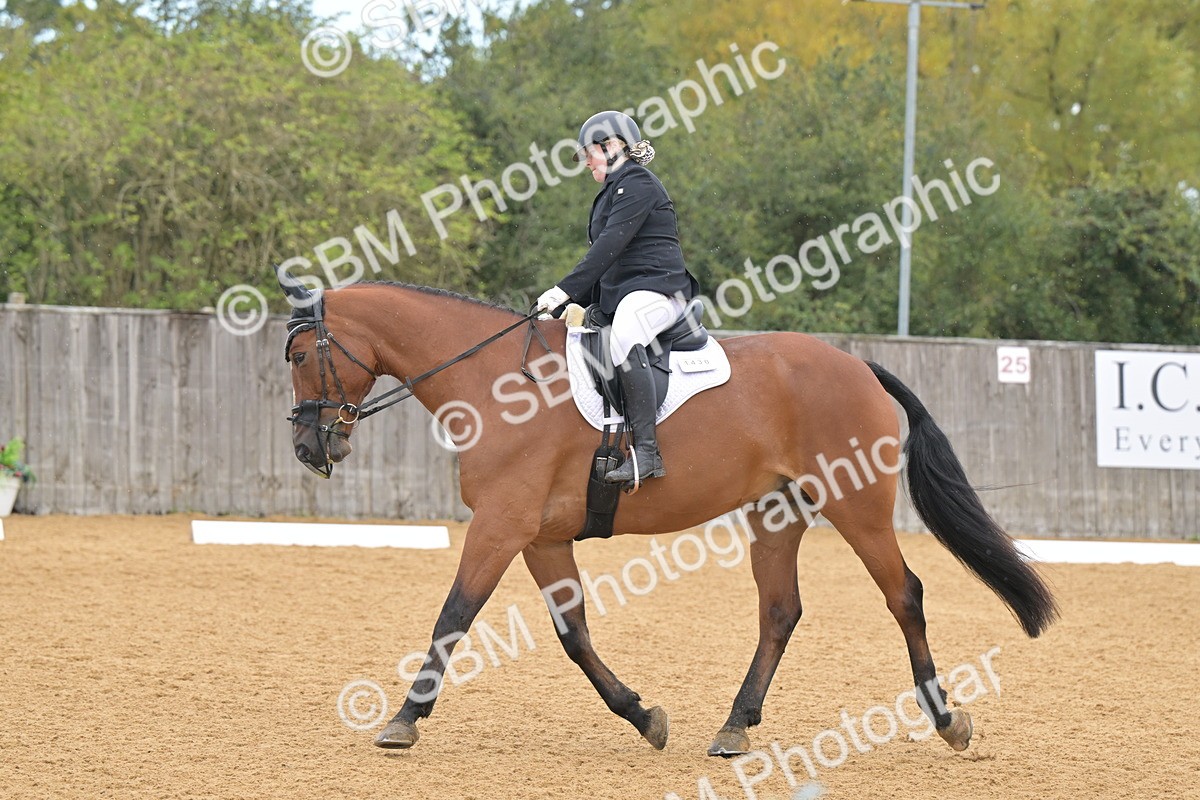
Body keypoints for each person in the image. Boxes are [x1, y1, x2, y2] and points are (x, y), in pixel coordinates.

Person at [537, 110, 700, 485]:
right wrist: (570, 305)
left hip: (658, 290)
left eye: (589, 153)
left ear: (612, 146)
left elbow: (609, 247)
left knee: (627, 333)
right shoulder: (612, 191)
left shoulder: (638, 183)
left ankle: (646, 453)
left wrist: (564, 289)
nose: (586, 163)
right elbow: (609, 263)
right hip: (627, 292)